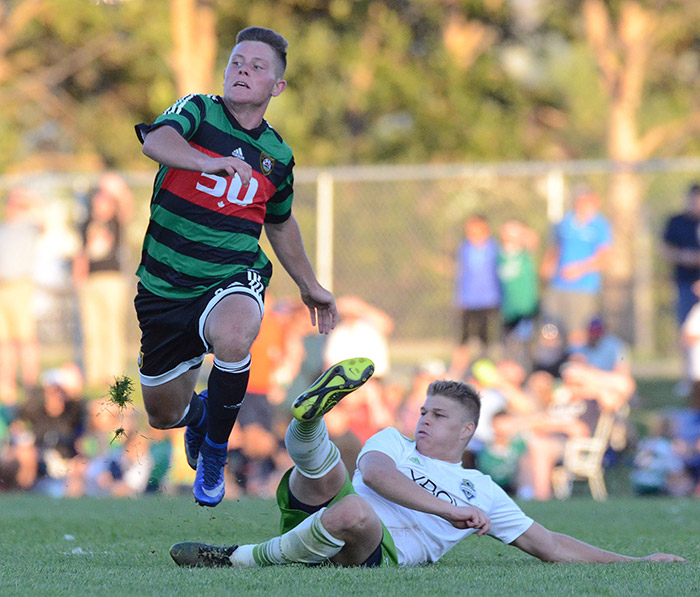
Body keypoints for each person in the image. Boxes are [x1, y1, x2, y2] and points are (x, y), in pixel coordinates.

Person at [170, 357, 685, 568]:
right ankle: (307, 424)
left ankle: (237, 557)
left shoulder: (481, 488)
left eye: (437, 416)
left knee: (356, 513)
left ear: (467, 431)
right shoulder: (393, 441)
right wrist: (445, 510)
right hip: (323, 512)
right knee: (329, 476)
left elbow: (548, 544)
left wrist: (636, 563)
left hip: (370, 548)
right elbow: (374, 475)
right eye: (423, 411)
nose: (423, 421)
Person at [133, 26, 337, 507]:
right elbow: (154, 143)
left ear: (276, 87)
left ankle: (215, 450)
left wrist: (309, 285)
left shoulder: (279, 156)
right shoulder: (198, 110)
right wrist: (210, 163)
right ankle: (200, 418)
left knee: (237, 330)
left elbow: (280, 223)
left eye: (256, 66)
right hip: (164, 284)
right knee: (162, 415)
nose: (243, 70)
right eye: (236, 62)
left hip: (233, 273)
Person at [73, 174, 133, 389]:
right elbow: (80, 253)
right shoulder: (86, 222)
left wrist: (116, 186)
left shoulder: (116, 222)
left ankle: (113, 373)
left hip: (112, 280)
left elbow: (126, 206)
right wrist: (78, 279)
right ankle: (94, 374)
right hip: (91, 280)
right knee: (92, 329)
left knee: (112, 328)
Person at [540, 187, 612, 345]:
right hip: (558, 285)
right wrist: (547, 267)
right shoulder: (564, 222)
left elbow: (605, 259)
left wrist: (579, 269)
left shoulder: (600, 225)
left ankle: (575, 365)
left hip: (583, 288)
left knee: (577, 334)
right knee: (551, 331)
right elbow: (555, 248)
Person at [0, 187, 42, 402]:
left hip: (21, 286)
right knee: (4, 341)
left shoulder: (28, 226)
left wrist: (26, 199)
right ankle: (6, 385)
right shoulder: (3, 228)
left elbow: (43, 217)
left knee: (25, 339)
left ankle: (30, 384)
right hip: (2, 288)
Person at [449, 214, 501, 379]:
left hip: (489, 300)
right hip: (469, 301)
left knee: (485, 339)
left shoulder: (493, 248)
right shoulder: (464, 248)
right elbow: (461, 275)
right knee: (463, 340)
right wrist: (460, 299)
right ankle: (456, 373)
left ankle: (485, 371)